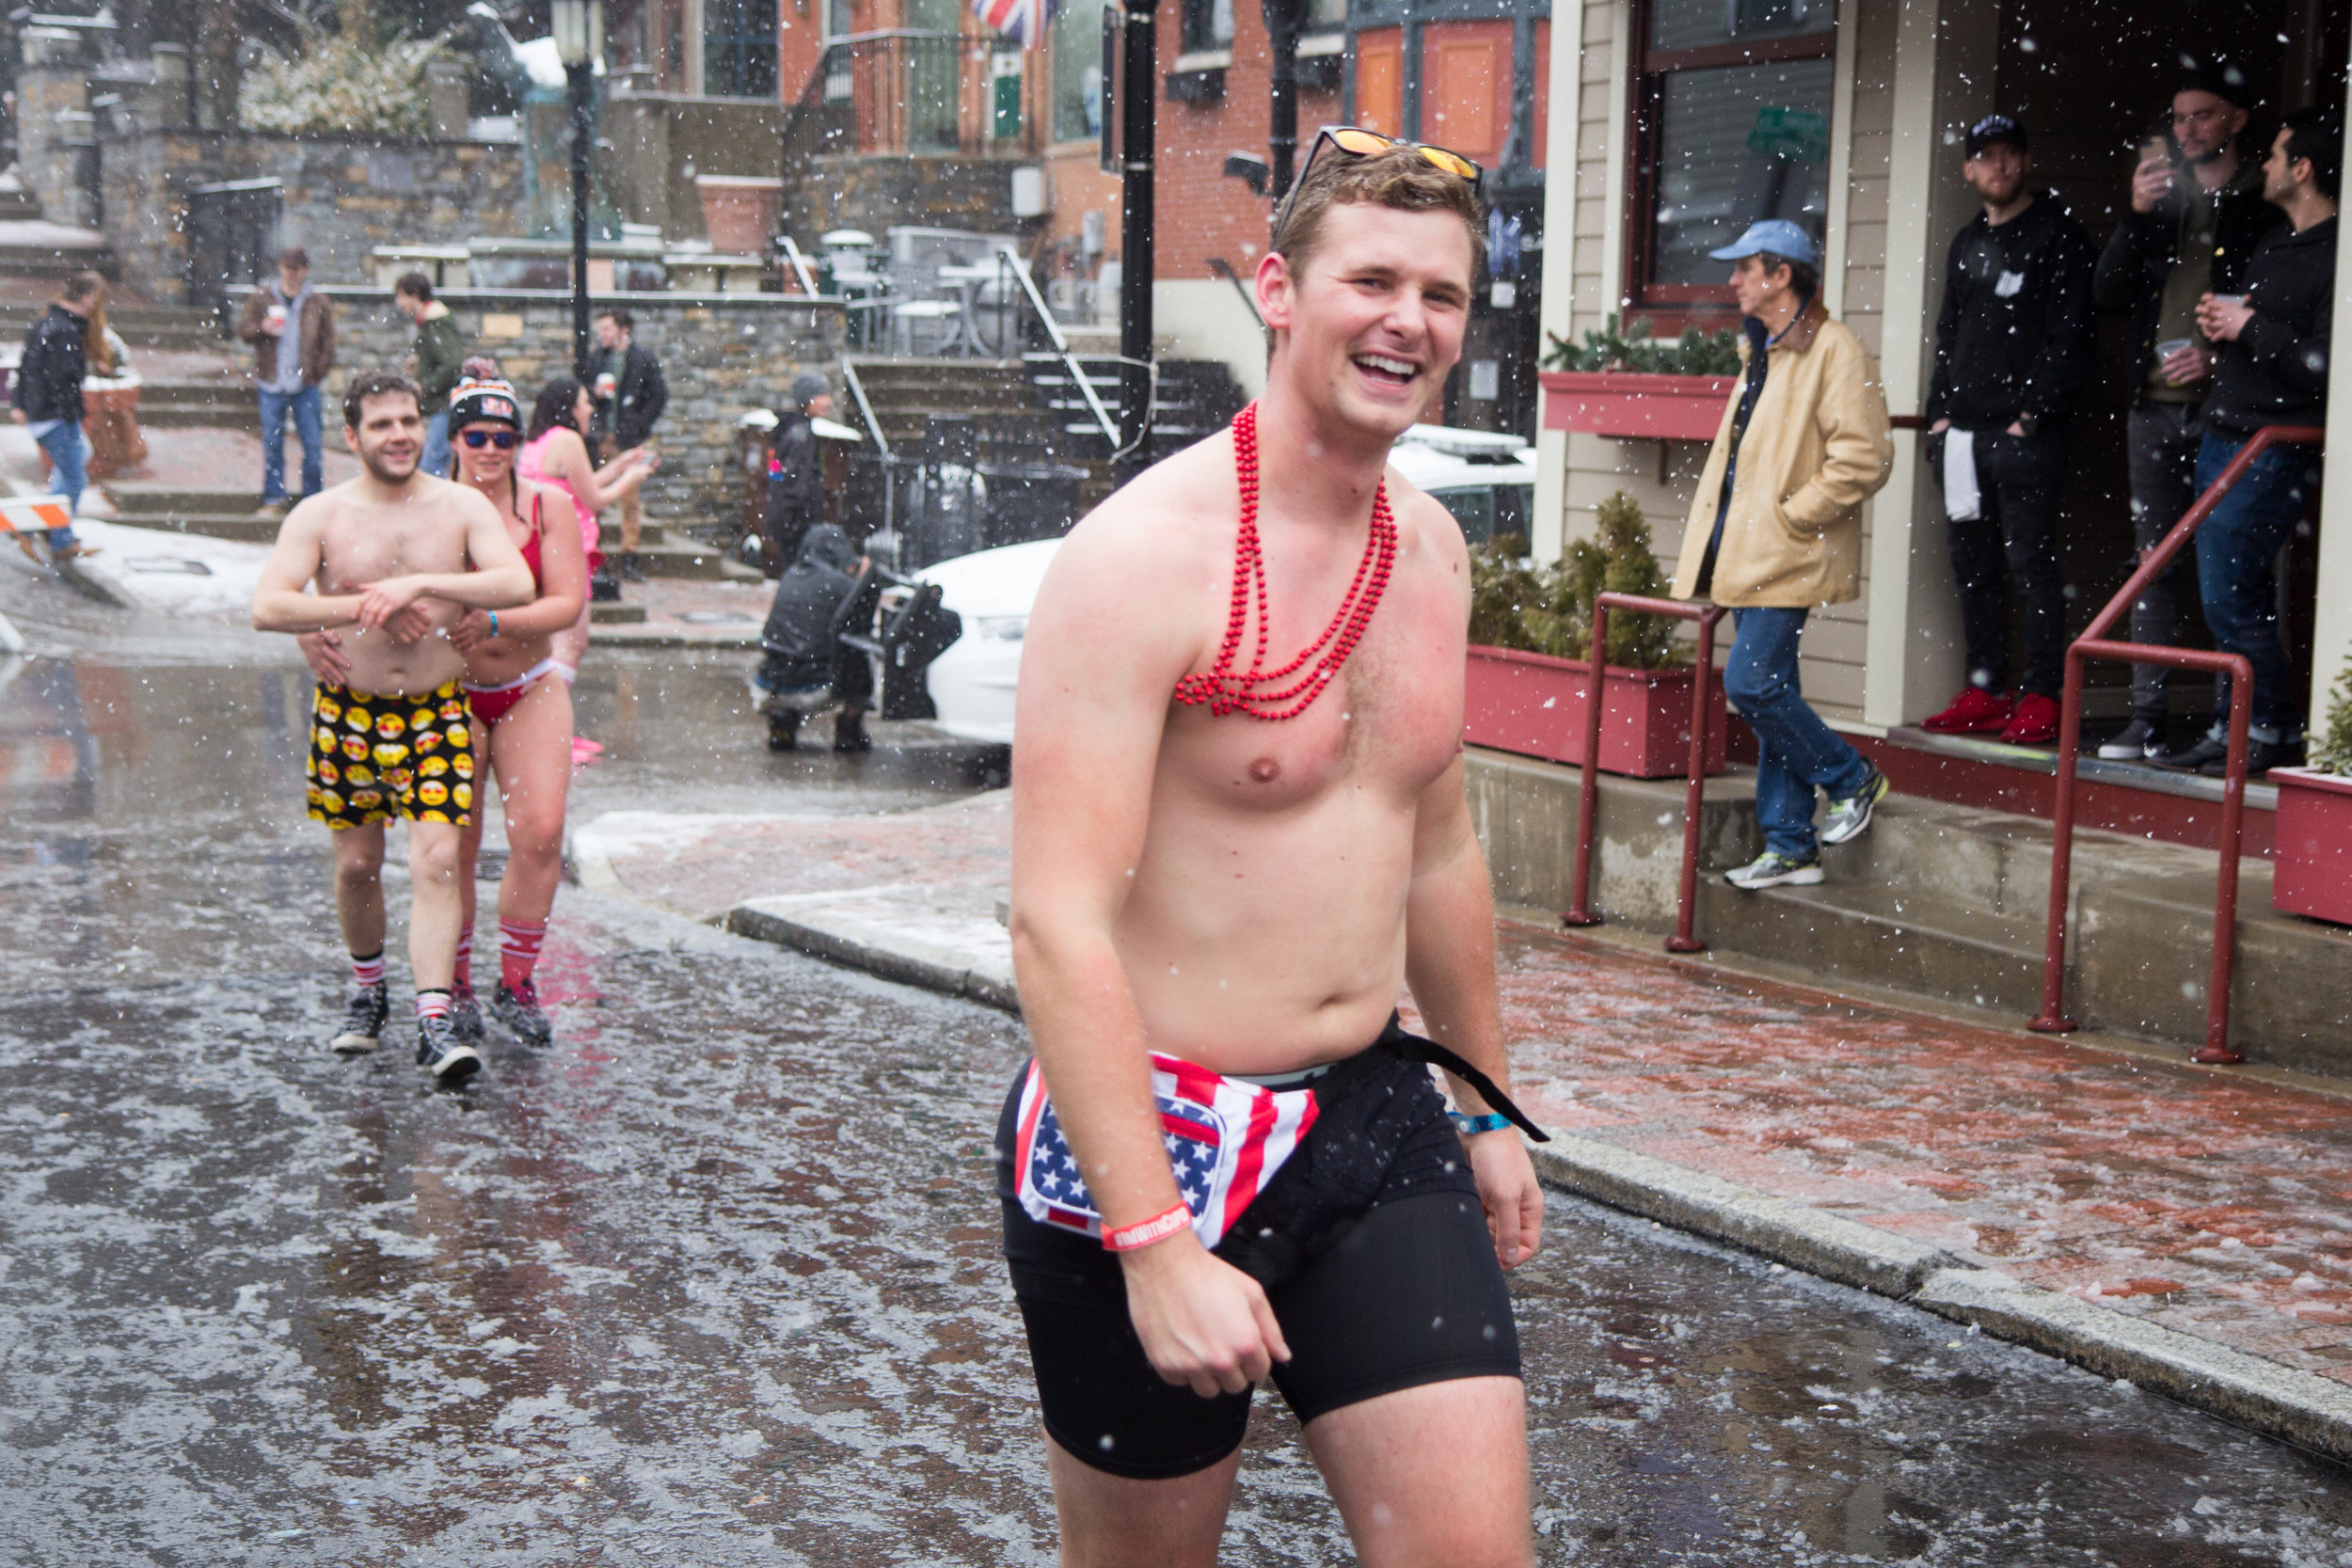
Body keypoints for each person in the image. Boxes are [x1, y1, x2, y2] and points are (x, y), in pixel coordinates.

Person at [1002, 131, 1548, 1568]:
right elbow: (1054, 920)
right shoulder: (1140, 559)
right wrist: (1153, 1241)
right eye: (1371, 277)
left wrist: (1488, 1107)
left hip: (1371, 1118)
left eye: (1440, 292)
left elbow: (1438, 840)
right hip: (1150, 1133)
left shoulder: (1430, 550)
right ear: (1278, 290)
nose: (1408, 320)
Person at [249, 371, 535, 1083]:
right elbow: (270, 605)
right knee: (356, 867)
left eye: (409, 420)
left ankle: (434, 1021)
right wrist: (359, 608)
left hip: (436, 710)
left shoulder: (461, 505)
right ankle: (369, 990)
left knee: (438, 862)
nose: (400, 434)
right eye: (381, 424)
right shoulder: (319, 514)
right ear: (352, 437)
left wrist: (423, 584)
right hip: (350, 711)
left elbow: (514, 583)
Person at [296, 378, 589, 1048]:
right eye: (476, 436)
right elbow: (342, 571)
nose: (490, 449)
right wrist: (311, 627)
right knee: (448, 848)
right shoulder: (425, 502)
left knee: (541, 832)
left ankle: (515, 979)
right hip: (448, 689)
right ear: (451, 439)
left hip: (527, 683)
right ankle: (451, 985)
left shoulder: (546, 507)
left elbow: (565, 602)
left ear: (520, 442)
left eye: (505, 437)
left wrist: (492, 616)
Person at [1669, 219, 1895, 889]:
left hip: (1784, 552)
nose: (1732, 280)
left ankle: (1853, 779)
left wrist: (1794, 515)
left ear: (1781, 275)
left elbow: (1865, 457)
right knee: (1775, 689)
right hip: (1748, 551)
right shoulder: (1762, 348)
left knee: (1751, 683)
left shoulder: (1835, 349)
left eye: (1744, 268)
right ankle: (1791, 841)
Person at [2091, 60, 2284, 762]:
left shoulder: (2266, 198)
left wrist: (2221, 361)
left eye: (2203, 114)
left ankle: (2237, 719)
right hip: (2152, 404)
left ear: (2235, 119)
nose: (2188, 129)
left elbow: (2285, 306)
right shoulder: (2162, 199)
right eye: (2179, 118)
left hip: (2229, 410)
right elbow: (2106, 293)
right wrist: (2134, 214)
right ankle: (2148, 714)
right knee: (2153, 563)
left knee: (2231, 562)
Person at [2153, 105, 2340, 778]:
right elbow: (2259, 339)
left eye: (2276, 154)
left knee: (2227, 592)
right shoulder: (2272, 241)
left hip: (2274, 445)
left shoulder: (2335, 253)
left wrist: (2250, 323)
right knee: (2231, 590)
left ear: (2304, 169)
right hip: (2223, 433)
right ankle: (2237, 722)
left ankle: (2269, 724)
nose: (2264, 163)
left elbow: (2325, 365)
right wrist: (2216, 342)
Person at [1918, 116, 2096, 747]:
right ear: (1968, 169)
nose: (1999, 166)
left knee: (2032, 563)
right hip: (1962, 436)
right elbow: (1948, 336)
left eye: (2009, 154)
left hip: (2023, 438)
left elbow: (2069, 336)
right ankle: (1987, 688)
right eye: (1985, 156)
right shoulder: (1966, 243)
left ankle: (2044, 693)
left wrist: (2031, 417)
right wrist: (1939, 416)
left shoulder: (2058, 236)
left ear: (2024, 161)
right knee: (1973, 565)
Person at [517, 375, 656, 682]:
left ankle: (542, 714)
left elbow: (582, 484)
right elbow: (593, 499)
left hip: (543, 545)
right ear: (569, 408)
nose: (591, 408)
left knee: (549, 643)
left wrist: (621, 465)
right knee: (571, 644)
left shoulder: (539, 439)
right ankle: (550, 717)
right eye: (584, 402)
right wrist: (629, 480)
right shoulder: (567, 440)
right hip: (569, 546)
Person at [754, 523, 877, 752]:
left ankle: (783, 720)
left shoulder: (790, 576)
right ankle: (849, 727)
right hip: (815, 685)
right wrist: (862, 582)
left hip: (769, 682)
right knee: (858, 653)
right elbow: (862, 627)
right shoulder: (841, 584)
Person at [8, 269, 103, 561]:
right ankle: (52, 536)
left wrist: (20, 403)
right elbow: (60, 379)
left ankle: (48, 528)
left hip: (45, 413)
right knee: (74, 479)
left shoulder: (48, 322)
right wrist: (69, 413)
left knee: (74, 466)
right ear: (87, 297)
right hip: (55, 417)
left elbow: (27, 365)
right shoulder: (65, 329)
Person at [238, 246, 336, 519]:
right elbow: (244, 330)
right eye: (287, 268)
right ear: (280, 268)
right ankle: (273, 498)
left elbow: (328, 342)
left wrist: (317, 371)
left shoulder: (317, 301)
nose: (291, 275)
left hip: (305, 384)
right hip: (271, 381)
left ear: (305, 270)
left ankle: (313, 503)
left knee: (313, 446)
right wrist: (262, 328)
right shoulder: (263, 297)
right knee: (272, 444)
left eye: (297, 269)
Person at [591, 308, 667, 581]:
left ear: (624, 330)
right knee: (592, 498)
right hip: (601, 438)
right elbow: (584, 391)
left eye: (608, 328)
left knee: (630, 501)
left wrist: (637, 426)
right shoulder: (599, 358)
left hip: (629, 439)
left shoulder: (642, 358)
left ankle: (629, 557)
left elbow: (658, 396)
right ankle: (595, 556)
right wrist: (594, 396)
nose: (603, 334)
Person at [761, 371, 833, 578]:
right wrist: (799, 515)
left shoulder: (787, 430)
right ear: (809, 399)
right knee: (798, 573)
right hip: (797, 521)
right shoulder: (801, 436)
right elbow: (794, 481)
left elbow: (774, 471)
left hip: (787, 518)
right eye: (823, 395)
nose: (828, 402)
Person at [394, 273, 466, 479]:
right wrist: (420, 364)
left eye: (401, 296)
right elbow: (442, 358)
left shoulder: (436, 322)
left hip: (444, 404)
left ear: (414, 295)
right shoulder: (429, 323)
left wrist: (424, 385)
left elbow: (452, 363)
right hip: (441, 405)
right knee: (434, 462)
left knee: (431, 464)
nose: (398, 303)